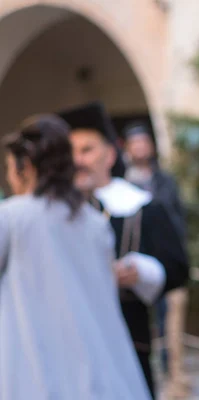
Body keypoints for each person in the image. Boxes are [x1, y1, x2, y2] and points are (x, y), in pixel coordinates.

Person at [0, 114, 151, 399]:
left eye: (9, 167)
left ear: (27, 167)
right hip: (96, 366)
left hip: (32, 365)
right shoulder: (94, 222)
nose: (9, 177)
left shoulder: (12, 217)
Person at [59, 101, 190, 398]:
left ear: (110, 154)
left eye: (87, 150)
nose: (78, 160)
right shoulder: (55, 212)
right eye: (71, 151)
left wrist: (142, 271)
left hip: (128, 340)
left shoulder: (141, 206)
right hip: (68, 344)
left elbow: (178, 268)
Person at [122, 120, 190, 396]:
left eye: (143, 142)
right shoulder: (121, 185)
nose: (140, 147)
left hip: (165, 263)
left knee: (170, 324)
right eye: (134, 143)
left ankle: (172, 378)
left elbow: (177, 219)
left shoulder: (164, 181)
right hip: (133, 266)